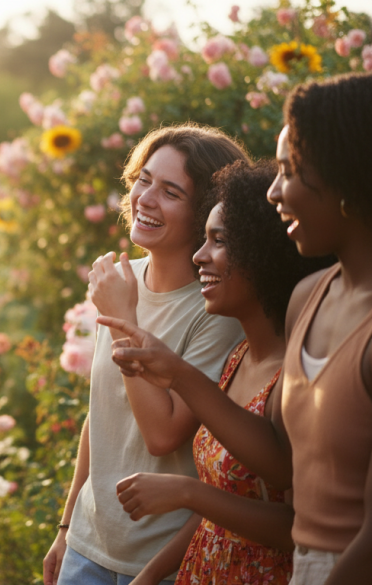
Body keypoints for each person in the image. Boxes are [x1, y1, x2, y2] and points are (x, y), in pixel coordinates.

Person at [106, 73, 372, 585]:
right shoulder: (308, 300)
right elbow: (279, 464)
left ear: (345, 177)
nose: (276, 191)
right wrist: (174, 371)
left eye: (291, 170)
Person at [101, 160, 332, 584]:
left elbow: (293, 524)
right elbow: (222, 507)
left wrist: (187, 492)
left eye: (218, 241)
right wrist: (150, 575)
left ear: (262, 252)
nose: (199, 255)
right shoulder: (239, 356)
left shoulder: (294, 373)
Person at [44, 124, 248, 585]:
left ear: (204, 215)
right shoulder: (120, 281)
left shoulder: (216, 310)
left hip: (162, 560)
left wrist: (123, 323)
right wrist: (66, 525)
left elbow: (163, 436)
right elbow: (100, 416)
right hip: (87, 546)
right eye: (143, 179)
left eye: (171, 191)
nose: (146, 199)